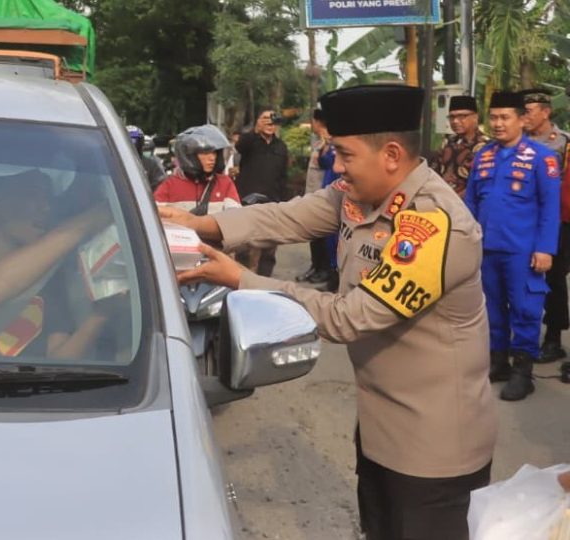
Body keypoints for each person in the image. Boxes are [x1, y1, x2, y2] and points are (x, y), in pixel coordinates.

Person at [160, 84, 496, 540]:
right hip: (382, 431)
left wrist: (243, 281)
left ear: (392, 154)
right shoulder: (361, 194)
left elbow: (348, 317)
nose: (335, 166)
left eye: (344, 154)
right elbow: (287, 217)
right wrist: (201, 224)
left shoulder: (434, 225)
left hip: (433, 450)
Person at [0, 169, 118, 359]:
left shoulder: (48, 274)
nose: (46, 207)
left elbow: (59, 359)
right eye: (34, 195)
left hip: (27, 385)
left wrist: (100, 315)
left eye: (48, 198)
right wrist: (86, 223)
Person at [465, 91, 561, 401]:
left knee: (525, 309)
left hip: (523, 250)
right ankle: (498, 361)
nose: (497, 123)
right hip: (487, 248)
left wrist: (545, 249)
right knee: (491, 308)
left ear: (522, 119)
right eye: (493, 117)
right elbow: (471, 203)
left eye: (505, 117)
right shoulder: (484, 155)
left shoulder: (541, 157)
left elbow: (550, 208)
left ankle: (523, 370)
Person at [520, 88, 570, 363]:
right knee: (524, 279)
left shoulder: (562, 143)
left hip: (554, 221)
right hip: (523, 220)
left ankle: (553, 337)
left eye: (528, 111)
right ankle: (523, 334)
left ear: (546, 112)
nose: (523, 117)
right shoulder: (518, 142)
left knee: (554, 278)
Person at [234, 108, 289, 277]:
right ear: (258, 121)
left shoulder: (281, 147)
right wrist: (256, 130)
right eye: (265, 118)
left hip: (272, 204)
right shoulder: (250, 141)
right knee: (244, 248)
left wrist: (284, 203)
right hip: (247, 202)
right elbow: (240, 146)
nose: (269, 122)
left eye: (272, 119)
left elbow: (283, 177)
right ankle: (240, 282)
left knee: (269, 249)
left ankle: (264, 283)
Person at [152, 124, 241, 215]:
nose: (212, 158)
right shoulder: (170, 185)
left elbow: (234, 218)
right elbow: (154, 217)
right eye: (205, 153)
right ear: (190, 156)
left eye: (214, 153)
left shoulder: (224, 183)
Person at [297, 108, 341, 290]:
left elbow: (327, 163)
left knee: (328, 239)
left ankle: (329, 273)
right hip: (314, 195)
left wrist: (327, 144)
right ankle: (317, 268)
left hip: (327, 196)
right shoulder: (319, 141)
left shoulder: (334, 142)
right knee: (314, 235)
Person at [429, 95, 490, 197]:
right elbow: (434, 171)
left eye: (462, 117)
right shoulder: (448, 141)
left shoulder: (486, 146)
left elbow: (482, 184)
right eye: (452, 117)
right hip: (441, 201)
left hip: (468, 206)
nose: (455, 121)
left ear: (475, 117)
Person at [127, 125, 166, 190]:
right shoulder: (114, 161)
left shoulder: (151, 163)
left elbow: (161, 184)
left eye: (134, 141)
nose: (132, 144)